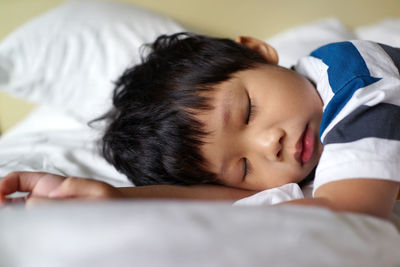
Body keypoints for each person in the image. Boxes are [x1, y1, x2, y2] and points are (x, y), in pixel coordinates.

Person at [0, 33, 399, 219]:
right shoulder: (307, 150)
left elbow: (348, 213)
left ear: (256, 52)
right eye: (243, 167)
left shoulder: (355, 81)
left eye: (248, 111)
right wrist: (117, 201)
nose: (268, 145)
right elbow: (234, 201)